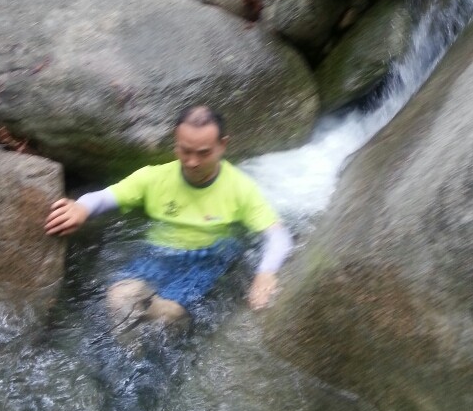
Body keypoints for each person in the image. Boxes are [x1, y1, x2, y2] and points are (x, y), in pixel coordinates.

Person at [45, 105, 292, 335]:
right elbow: (105, 197)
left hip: (205, 260)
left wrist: (266, 273)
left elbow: (278, 236)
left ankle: (177, 331)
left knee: (168, 315)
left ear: (222, 145)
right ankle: (131, 358)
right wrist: (81, 207)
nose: (192, 162)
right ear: (176, 142)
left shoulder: (241, 188)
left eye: (203, 153)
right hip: (158, 255)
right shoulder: (154, 178)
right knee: (119, 299)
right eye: (185, 151)